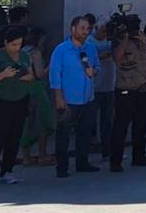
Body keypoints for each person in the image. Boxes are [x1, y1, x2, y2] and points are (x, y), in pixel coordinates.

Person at [0, 25, 33, 187]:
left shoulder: (24, 55)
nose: (16, 48)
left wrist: (24, 76)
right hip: (1, 101)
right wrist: (4, 74)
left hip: (21, 99)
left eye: (19, 44)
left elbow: (31, 75)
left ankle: (7, 171)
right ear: (6, 43)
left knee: (14, 137)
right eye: (13, 45)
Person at [49, 15, 101, 178]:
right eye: (82, 28)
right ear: (73, 29)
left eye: (88, 29)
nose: (85, 32)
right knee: (63, 133)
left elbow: (97, 65)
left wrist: (94, 71)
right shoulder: (61, 49)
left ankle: (82, 162)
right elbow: (54, 74)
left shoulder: (91, 48)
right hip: (68, 99)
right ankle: (62, 166)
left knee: (85, 132)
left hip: (88, 98)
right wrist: (58, 97)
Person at [108, 14, 146, 171]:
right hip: (126, 89)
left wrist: (142, 39)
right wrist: (125, 38)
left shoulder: (142, 39)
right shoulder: (118, 39)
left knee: (141, 125)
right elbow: (117, 58)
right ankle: (115, 161)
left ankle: (139, 156)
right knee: (121, 127)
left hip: (144, 87)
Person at [19, 27, 56, 167]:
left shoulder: (22, 51)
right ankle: (42, 154)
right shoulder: (36, 52)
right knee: (42, 122)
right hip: (38, 88)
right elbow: (40, 74)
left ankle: (26, 157)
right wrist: (51, 65)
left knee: (27, 123)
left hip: (24, 88)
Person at [88, 16, 116, 159]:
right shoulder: (89, 42)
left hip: (109, 85)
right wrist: (102, 56)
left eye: (107, 31)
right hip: (93, 87)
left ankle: (107, 150)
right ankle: (89, 147)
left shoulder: (112, 40)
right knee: (90, 120)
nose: (105, 34)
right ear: (96, 28)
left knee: (108, 121)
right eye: (103, 30)